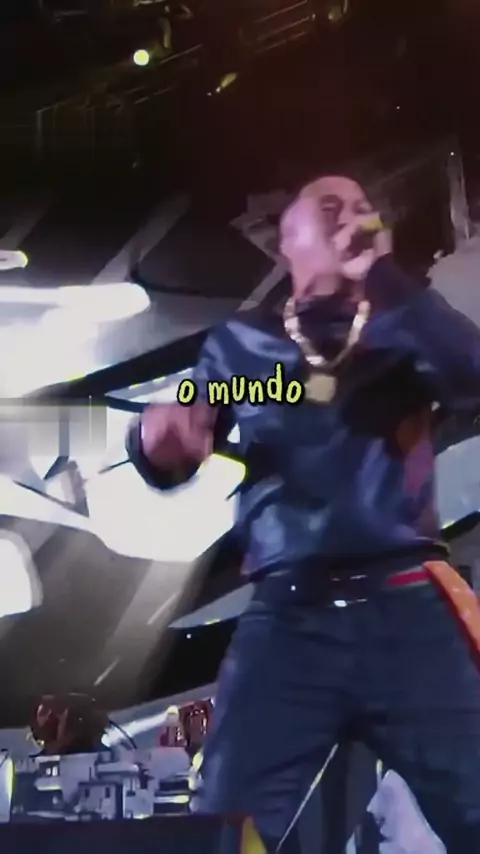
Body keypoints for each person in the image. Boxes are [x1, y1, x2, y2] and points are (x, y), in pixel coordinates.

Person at [126, 175, 480, 853]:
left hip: (410, 608)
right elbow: (184, 430)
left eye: (364, 207)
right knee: (226, 825)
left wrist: (385, 277)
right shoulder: (248, 349)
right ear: (289, 239)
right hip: (291, 618)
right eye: (331, 207)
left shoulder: (404, 326)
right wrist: (157, 442)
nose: (355, 216)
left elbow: (471, 375)